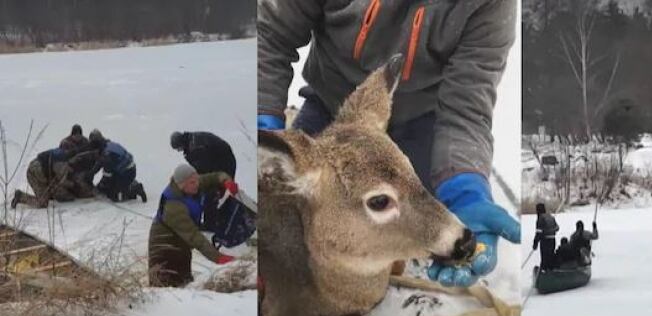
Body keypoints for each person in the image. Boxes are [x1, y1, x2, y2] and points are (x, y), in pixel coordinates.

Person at [257, 0, 520, 288]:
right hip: (332, 108)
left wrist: (465, 190)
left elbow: (466, 107)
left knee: (417, 218)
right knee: (287, 216)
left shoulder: (490, 5)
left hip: (422, 121)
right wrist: (263, 121)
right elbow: (270, 35)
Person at [148, 164, 238, 287]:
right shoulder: (174, 207)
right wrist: (218, 257)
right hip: (165, 246)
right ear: (182, 185)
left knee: (185, 281)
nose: (197, 184)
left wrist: (226, 181)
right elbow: (195, 237)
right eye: (192, 182)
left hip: (182, 242)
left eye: (196, 180)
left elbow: (216, 176)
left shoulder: (193, 183)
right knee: (166, 286)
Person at [170, 131, 237, 231]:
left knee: (211, 192)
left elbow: (204, 171)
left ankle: (212, 223)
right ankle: (218, 219)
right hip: (220, 161)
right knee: (209, 190)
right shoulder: (192, 141)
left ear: (181, 143)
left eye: (179, 148)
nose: (179, 150)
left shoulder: (196, 148)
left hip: (224, 164)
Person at [88, 129, 147, 203]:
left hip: (126, 173)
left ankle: (134, 189)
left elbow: (107, 175)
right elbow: (100, 163)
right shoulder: (109, 145)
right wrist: (92, 172)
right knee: (108, 187)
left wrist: (100, 186)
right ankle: (129, 184)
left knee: (113, 196)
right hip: (126, 170)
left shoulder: (106, 154)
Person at [11, 147, 78, 209]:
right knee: (42, 203)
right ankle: (20, 197)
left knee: (54, 192)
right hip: (34, 175)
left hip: (38, 170)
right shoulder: (61, 164)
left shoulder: (60, 154)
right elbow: (60, 182)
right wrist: (73, 185)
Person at [533, 203, 559, 272]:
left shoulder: (540, 218)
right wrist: (552, 230)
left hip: (545, 241)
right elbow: (557, 228)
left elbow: (538, 232)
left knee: (544, 258)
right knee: (550, 256)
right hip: (553, 239)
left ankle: (544, 271)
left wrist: (535, 243)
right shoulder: (551, 217)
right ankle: (551, 270)